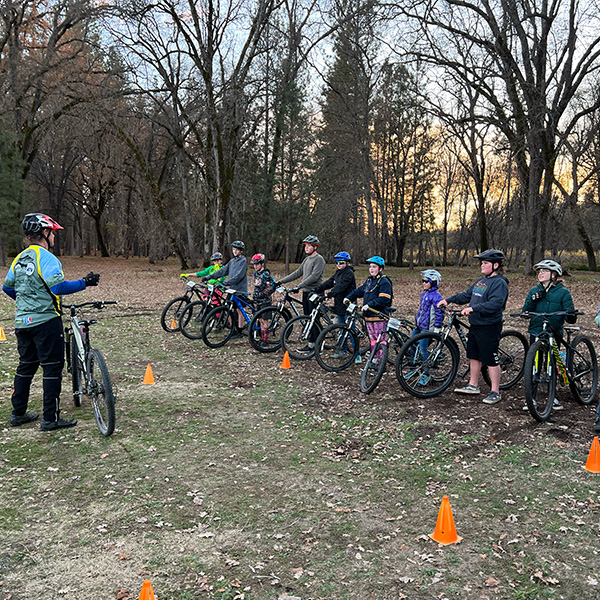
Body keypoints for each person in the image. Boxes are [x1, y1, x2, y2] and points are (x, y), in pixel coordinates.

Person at [2, 213, 100, 431]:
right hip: (46, 321)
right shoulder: (47, 258)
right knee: (52, 369)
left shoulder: (19, 258)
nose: (54, 237)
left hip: (22, 322)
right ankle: (50, 418)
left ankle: (18, 414)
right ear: (45, 232)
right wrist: (85, 282)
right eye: (53, 233)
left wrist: (27, 302)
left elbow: (7, 287)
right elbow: (58, 287)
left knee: (26, 367)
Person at [437, 249, 509, 405]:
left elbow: (495, 304)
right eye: (481, 263)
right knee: (474, 354)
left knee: (491, 358)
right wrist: (448, 300)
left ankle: (495, 391)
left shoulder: (500, 283)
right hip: (475, 324)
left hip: (489, 325)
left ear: (496, 265)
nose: (482, 265)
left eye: (485, 263)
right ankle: (473, 385)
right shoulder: (481, 282)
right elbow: (466, 295)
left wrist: (473, 308)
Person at [522, 259, 576, 411]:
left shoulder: (563, 292)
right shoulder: (534, 291)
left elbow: (571, 317)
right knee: (534, 365)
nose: (540, 273)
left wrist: (570, 313)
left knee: (551, 364)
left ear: (554, 274)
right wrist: (534, 300)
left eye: (544, 271)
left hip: (554, 331)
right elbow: (525, 311)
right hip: (536, 330)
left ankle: (553, 397)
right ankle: (531, 398)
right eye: (539, 271)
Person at [276, 235, 326, 352]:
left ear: (315, 247)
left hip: (315, 292)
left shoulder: (319, 259)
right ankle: (314, 341)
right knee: (308, 318)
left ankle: (314, 344)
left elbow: (314, 276)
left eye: (309, 246)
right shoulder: (306, 259)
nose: (306, 248)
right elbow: (297, 273)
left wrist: (299, 286)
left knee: (314, 319)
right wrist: (281, 281)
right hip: (306, 292)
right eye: (305, 246)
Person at [344, 256, 393, 362]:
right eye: (370, 267)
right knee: (372, 339)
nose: (371, 269)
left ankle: (381, 362)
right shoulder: (369, 281)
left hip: (379, 316)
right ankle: (374, 359)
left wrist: (369, 305)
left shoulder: (384, 281)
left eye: (374, 267)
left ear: (380, 269)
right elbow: (360, 290)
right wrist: (349, 297)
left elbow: (384, 299)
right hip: (369, 316)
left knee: (380, 340)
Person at [203, 241, 248, 332]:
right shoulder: (232, 261)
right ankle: (232, 328)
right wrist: (209, 276)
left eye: (237, 249)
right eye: (234, 249)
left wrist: (226, 283)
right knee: (227, 308)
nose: (235, 251)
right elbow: (222, 271)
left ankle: (240, 330)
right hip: (231, 290)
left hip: (239, 290)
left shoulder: (243, 261)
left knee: (239, 310)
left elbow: (239, 276)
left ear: (241, 251)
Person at [410, 269, 445, 386]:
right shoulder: (424, 293)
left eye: (426, 281)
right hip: (419, 325)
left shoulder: (436, 296)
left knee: (423, 349)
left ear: (433, 282)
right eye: (423, 280)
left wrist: (437, 326)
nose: (423, 283)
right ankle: (413, 369)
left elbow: (439, 312)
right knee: (411, 345)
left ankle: (426, 374)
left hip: (427, 328)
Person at [313, 251, 356, 325]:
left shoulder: (349, 273)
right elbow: (329, 282)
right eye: (337, 262)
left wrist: (329, 294)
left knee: (349, 327)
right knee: (340, 325)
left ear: (347, 263)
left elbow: (341, 286)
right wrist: (316, 289)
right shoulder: (338, 272)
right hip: (339, 303)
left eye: (341, 263)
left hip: (348, 303)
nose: (338, 264)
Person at [250, 253, 276, 342]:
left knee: (265, 320)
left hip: (265, 301)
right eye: (254, 264)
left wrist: (261, 294)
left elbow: (269, 288)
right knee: (260, 319)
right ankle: (262, 337)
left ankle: (266, 339)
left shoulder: (266, 274)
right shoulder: (257, 274)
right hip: (258, 301)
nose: (255, 266)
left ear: (262, 264)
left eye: (257, 264)